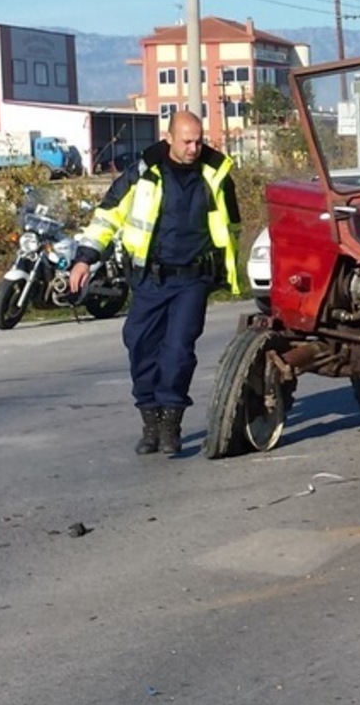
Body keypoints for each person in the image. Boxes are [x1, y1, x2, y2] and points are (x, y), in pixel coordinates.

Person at [69, 112, 242, 455]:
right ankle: (150, 419)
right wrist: (85, 258)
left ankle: (171, 423)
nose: (194, 148)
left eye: (198, 140)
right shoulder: (142, 173)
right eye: (187, 141)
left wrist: (227, 272)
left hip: (193, 278)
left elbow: (232, 227)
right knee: (139, 345)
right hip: (150, 277)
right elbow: (108, 215)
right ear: (169, 138)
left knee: (178, 351)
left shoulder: (216, 174)